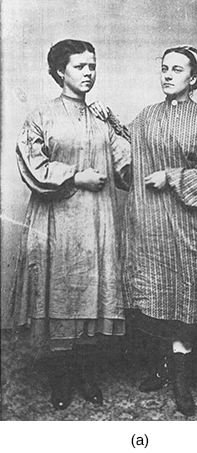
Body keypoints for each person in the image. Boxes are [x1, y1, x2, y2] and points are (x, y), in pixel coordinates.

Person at [98, 45, 197, 416]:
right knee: (160, 299)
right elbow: (132, 144)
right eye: (164, 68)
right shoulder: (147, 115)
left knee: (185, 301)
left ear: (193, 78)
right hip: (153, 226)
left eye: (177, 70)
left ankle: (181, 381)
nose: (168, 75)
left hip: (190, 225)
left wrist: (173, 176)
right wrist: (109, 120)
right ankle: (164, 368)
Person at [10, 39, 130, 410]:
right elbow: (31, 161)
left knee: (91, 294)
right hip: (57, 220)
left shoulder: (100, 117)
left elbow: (126, 164)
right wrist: (75, 177)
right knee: (61, 291)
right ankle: (60, 382)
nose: (89, 73)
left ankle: (86, 374)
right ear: (61, 71)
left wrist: (115, 123)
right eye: (80, 67)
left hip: (97, 221)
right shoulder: (42, 116)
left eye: (92, 66)